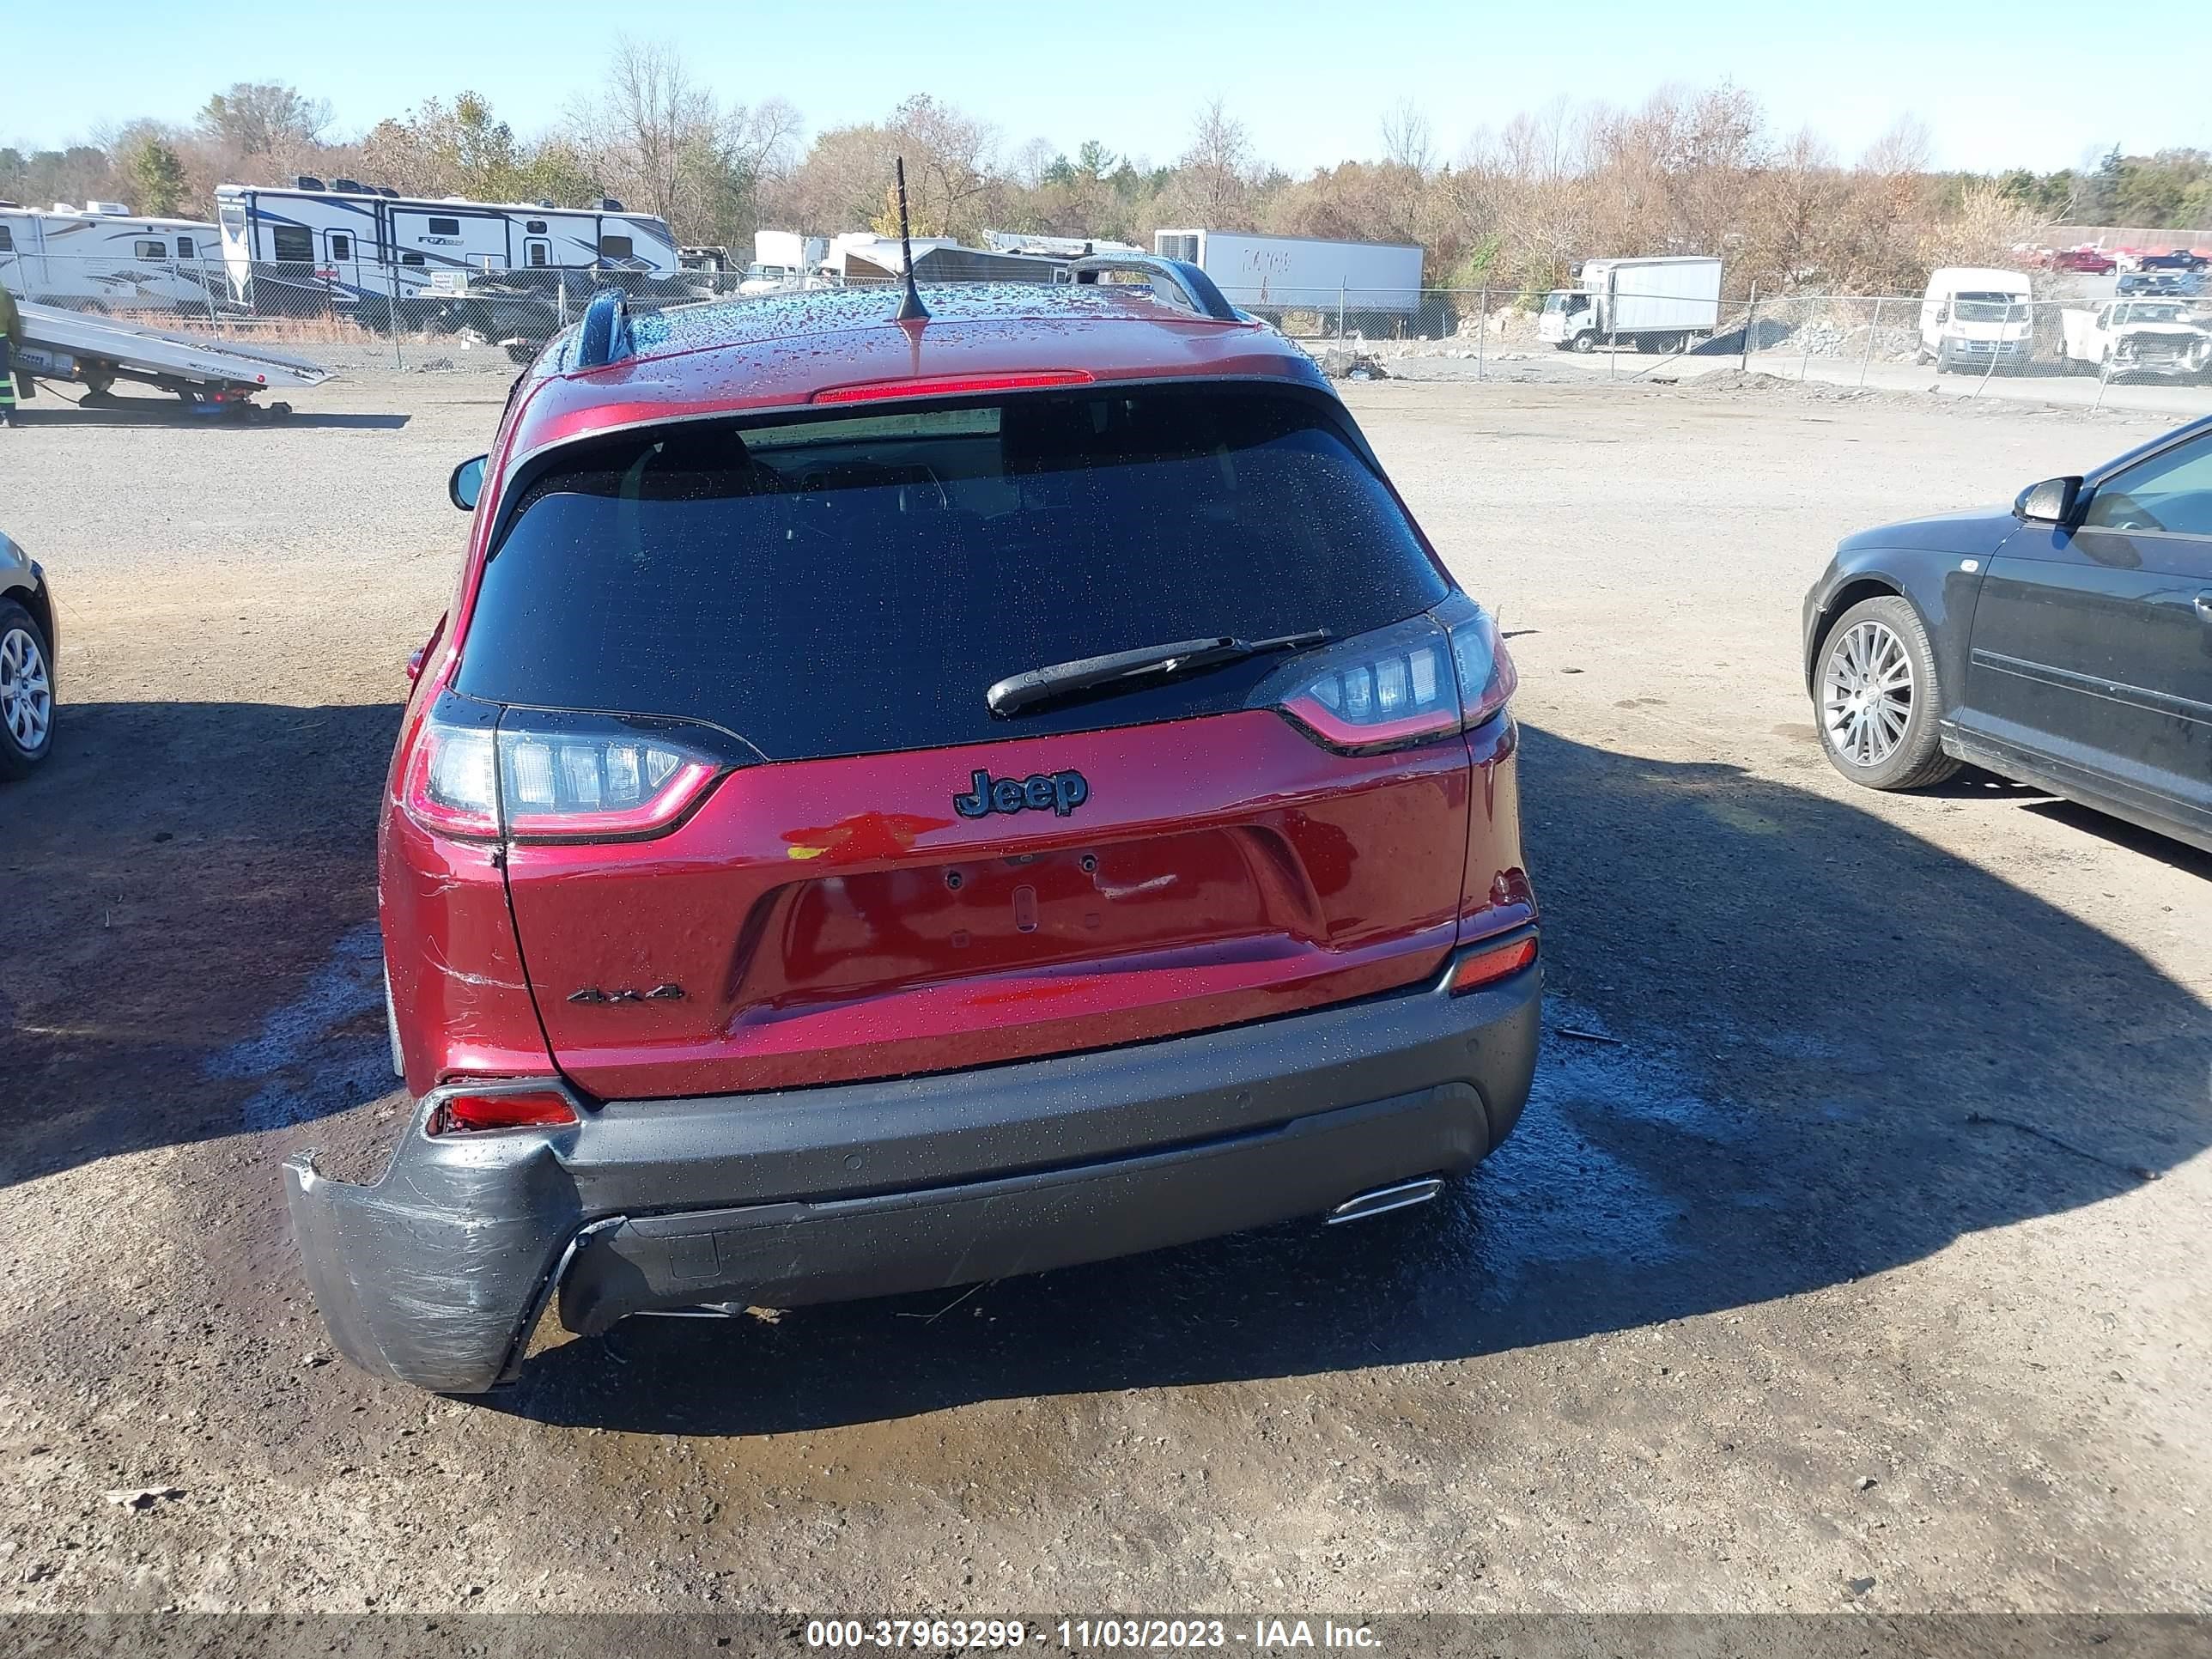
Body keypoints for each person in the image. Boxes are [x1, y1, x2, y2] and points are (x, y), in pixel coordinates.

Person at [0, 282, 21, 427]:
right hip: (2, 340)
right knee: (3, 379)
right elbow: (14, 321)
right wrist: (16, 341)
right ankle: (9, 415)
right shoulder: (6, 294)